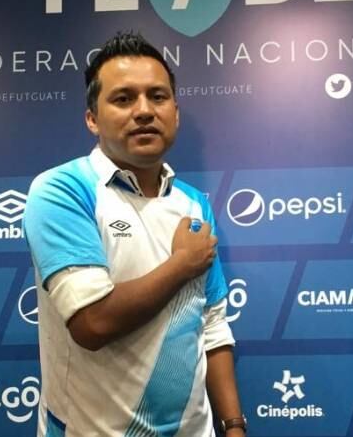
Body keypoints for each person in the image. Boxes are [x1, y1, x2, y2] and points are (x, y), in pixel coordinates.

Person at [23, 31, 245, 437]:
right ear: (92, 118)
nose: (144, 111)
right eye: (123, 99)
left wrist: (233, 427)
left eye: (157, 97)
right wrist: (182, 264)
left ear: (175, 113)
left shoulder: (195, 204)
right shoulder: (62, 190)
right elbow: (93, 323)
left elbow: (212, 325)